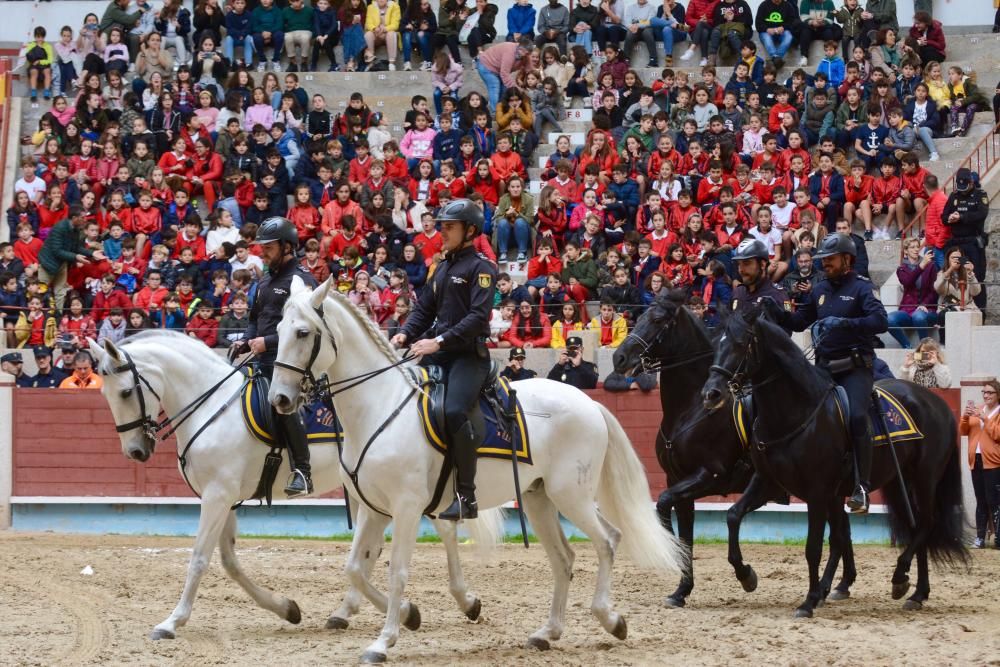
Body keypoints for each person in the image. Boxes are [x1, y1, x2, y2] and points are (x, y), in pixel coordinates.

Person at [765, 233, 888, 514]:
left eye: (830, 260)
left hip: (855, 368)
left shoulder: (861, 289)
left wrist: (845, 322)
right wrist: (779, 311)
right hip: (823, 369)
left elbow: (881, 321)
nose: (825, 264)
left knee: (856, 416)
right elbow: (799, 322)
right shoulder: (818, 289)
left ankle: (861, 487)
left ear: (847, 260)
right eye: (823, 260)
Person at [391, 199, 496, 521]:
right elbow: (423, 309)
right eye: (442, 226)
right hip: (438, 353)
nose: (443, 232)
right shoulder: (441, 267)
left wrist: (438, 341)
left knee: (452, 411)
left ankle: (467, 496)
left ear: (470, 230)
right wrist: (405, 334)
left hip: (468, 356)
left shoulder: (482, 268)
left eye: (449, 227)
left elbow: (478, 317)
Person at [232, 217, 318, 497]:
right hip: (261, 360)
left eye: (268, 247)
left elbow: (307, 332)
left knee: (283, 405)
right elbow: (255, 319)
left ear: (287, 247)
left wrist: (266, 342)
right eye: (262, 247)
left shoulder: (302, 282)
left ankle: (303, 472)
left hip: (290, 365)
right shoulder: (264, 281)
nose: (262, 252)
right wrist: (246, 340)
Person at [38, 204, 106, 312]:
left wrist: (92, 253)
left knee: (60, 293)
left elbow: (77, 247)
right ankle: (38, 320)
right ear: (74, 218)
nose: (85, 220)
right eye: (82, 217)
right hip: (48, 264)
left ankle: (58, 318)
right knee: (41, 293)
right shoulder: (59, 228)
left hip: (62, 264)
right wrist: (75, 257)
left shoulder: (76, 229)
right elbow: (57, 250)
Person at [942, 168, 988, 310]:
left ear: (971, 182)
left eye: (965, 186)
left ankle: (981, 311)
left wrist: (962, 217)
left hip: (972, 244)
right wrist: (949, 219)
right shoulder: (954, 196)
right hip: (957, 246)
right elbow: (943, 217)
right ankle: (956, 307)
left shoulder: (979, 195)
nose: (962, 190)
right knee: (956, 275)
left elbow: (981, 214)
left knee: (975, 276)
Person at [962, 379, 1000, 549]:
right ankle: (979, 538)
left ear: (998, 395)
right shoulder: (978, 409)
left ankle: (998, 538)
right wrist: (965, 416)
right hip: (976, 460)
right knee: (981, 500)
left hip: (993, 462)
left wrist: (986, 419)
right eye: (984, 392)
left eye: (990, 392)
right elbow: (963, 431)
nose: (986, 395)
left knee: (994, 501)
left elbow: (997, 434)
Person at [888, 239, 938, 348]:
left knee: (918, 317)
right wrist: (920, 267)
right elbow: (908, 282)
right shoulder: (901, 269)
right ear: (905, 251)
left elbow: (933, 291)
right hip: (907, 310)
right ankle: (907, 346)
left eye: (917, 247)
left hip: (926, 309)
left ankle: (924, 348)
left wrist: (924, 304)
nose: (916, 249)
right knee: (888, 319)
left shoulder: (930, 266)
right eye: (912, 247)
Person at [729, 238, 791, 322]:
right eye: (739, 264)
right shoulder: (738, 292)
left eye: (746, 263)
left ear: (762, 264)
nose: (741, 269)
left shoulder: (777, 296)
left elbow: (785, 332)